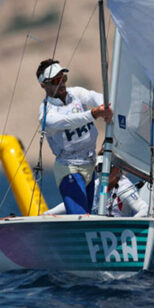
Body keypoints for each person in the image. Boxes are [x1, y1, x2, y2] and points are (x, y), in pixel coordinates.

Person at [37, 58, 113, 214]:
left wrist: (107, 106)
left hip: (90, 166)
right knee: (81, 216)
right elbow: (67, 122)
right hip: (69, 168)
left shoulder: (76, 93)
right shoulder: (46, 112)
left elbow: (95, 97)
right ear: (44, 85)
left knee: (89, 214)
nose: (62, 83)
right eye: (56, 80)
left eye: (63, 78)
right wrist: (93, 113)